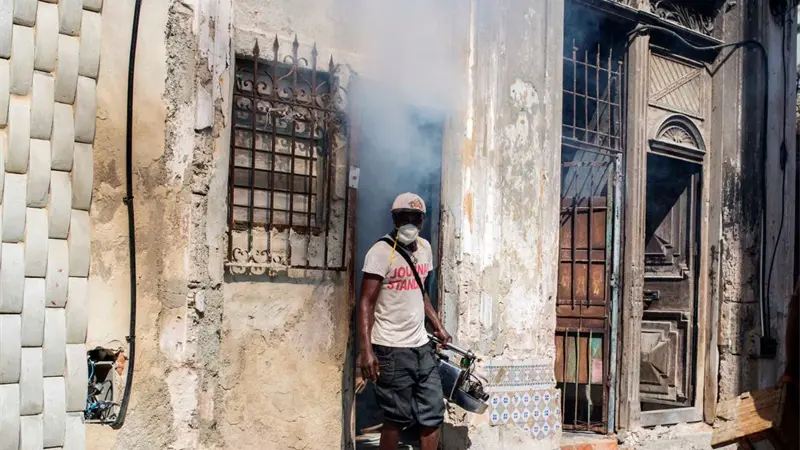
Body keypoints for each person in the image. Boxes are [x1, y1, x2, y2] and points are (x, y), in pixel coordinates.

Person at [358, 192, 452, 450]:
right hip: (391, 349)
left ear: (422, 221)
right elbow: (365, 301)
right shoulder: (380, 252)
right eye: (404, 218)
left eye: (415, 218)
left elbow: (420, 291)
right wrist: (366, 351)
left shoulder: (425, 249)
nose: (410, 223)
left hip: (421, 347)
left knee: (432, 414)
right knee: (396, 418)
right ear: (394, 219)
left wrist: (437, 326)